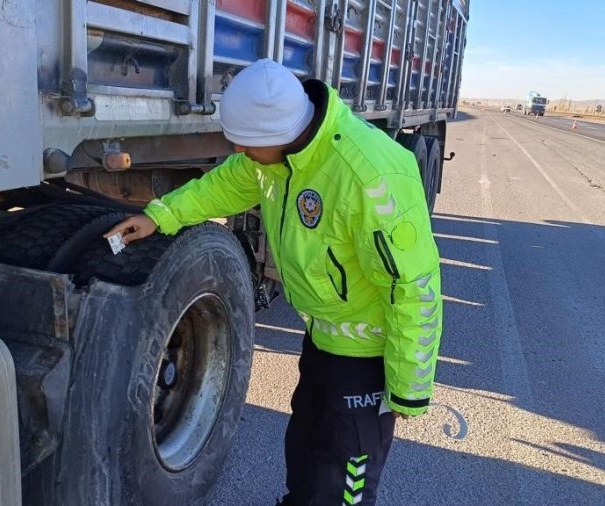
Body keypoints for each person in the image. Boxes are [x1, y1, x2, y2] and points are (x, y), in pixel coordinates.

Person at [104, 59, 442, 505]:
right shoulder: (278, 158)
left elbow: (413, 285)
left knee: (343, 479)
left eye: (246, 145)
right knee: (305, 448)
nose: (241, 153)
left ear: (278, 134)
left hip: (369, 354)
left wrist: (409, 387)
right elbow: (221, 186)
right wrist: (158, 217)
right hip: (323, 336)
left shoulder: (370, 176)